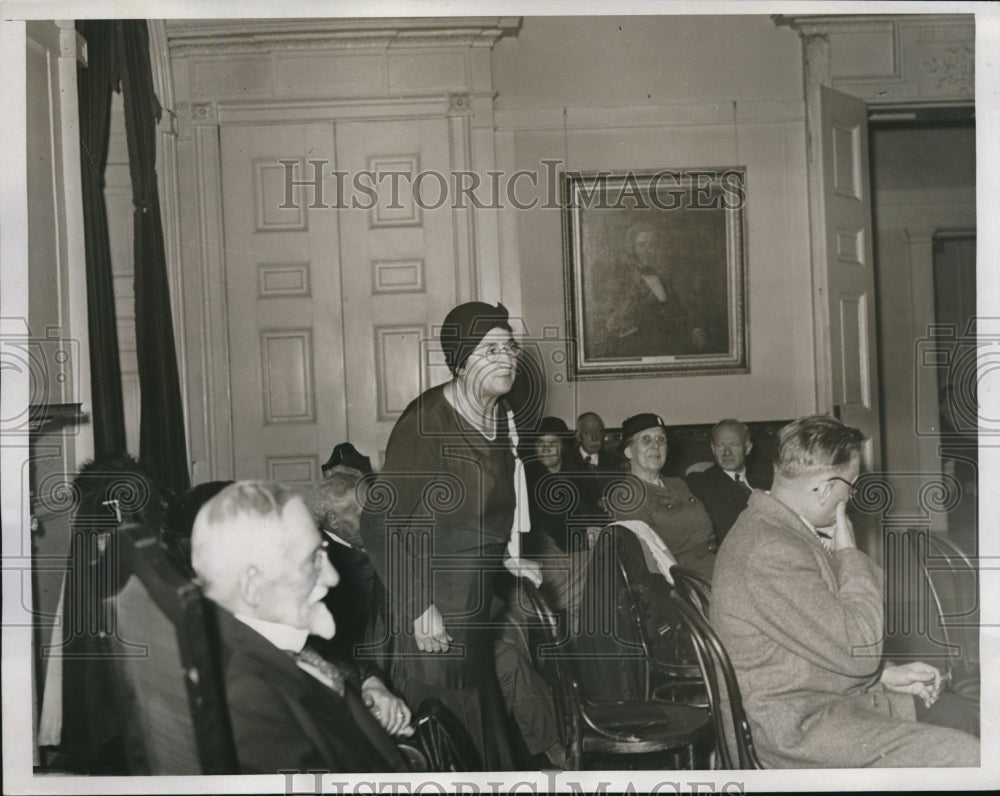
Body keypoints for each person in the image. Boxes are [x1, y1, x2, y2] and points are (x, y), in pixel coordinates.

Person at [711, 415, 979, 768]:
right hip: (797, 729)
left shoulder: (777, 526)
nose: (851, 495)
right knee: (969, 755)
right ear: (824, 488)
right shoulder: (771, 550)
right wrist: (848, 549)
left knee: (961, 714)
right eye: (850, 484)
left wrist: (884, 675)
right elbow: (861, 647)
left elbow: (818, 633)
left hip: (820, 695)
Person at [359, 301, 541, 770]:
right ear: (461, 361)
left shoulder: (501, 416)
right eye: (490, 349)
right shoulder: (428, 423)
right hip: (428, 617)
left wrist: (503, 558)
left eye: (510, 347)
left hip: (474, 608)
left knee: (479, 746)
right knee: (445, 750)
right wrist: (420, 606)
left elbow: (477, 513)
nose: (506, 358)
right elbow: (378, 523)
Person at [191, 480, 413, 774]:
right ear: (253, 586)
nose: (333, 577)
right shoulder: (248, 697)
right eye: (312, 561)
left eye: (324, 552)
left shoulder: (269, 642)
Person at [609, 412, 717, 581]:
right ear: (629, 451)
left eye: (661, 439)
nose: (656, 446)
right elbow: (648, 561)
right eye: (646, 440)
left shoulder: (677, 484)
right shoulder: (627, 495)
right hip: (688, 579)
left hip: (715, 564)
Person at [598, 222, 723, 358]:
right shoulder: (622, 280)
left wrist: (695, 329)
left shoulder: (664, 279)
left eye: (652, 245)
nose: (648, 250)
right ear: (632, 248)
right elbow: (613, 322)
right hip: (636, 348)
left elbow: (679, 312)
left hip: (669, 345)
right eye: (642, 245)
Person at [684, 418, 771, 545]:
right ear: (713, 449)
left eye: (734, 445)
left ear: (747, 448)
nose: (727, 453)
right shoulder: (700, 484)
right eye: (720, 446)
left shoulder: (765, 483)